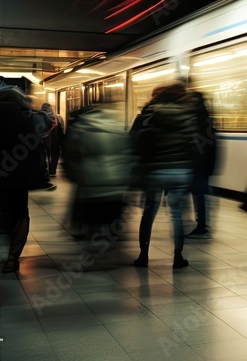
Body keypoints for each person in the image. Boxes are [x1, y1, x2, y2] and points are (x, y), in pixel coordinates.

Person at [0, 85, 46, 272]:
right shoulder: (25, 119)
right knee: (19, 214)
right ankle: (12, 259)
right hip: (16, 175)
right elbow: (34, 149)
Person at [130, 83, 197, 269]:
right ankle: (178, 257)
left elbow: (137, 142)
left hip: (156, 170)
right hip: (180, 170)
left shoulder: (150, 114)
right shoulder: (185, 115)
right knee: (176, 214)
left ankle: (143, 255)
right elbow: (193, 145)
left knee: (149, 212)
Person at [63, 101, 133, 240]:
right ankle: (110, 237)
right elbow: (127, 152)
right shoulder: (118, 127)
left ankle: (92, 237)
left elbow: (71, 152)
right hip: (115, 181)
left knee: (92, 215)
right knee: (111, 213)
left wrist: (72, 171)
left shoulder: (80, 127)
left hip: (90, 180)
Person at [186, 90, 218, 240]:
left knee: (199, 196)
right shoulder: (207, 119)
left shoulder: (197, 120)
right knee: (201, 195)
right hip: (203, 165)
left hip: (198, 165)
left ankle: (202, 225)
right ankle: (202, 224)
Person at [42, 103, 66, 177]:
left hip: (43, 140)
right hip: (55, 140)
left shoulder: (40, 116)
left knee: (43, 156)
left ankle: (44, 172)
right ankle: (52, 171)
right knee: (55, 155)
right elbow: (62, 129)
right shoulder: (58, 117)